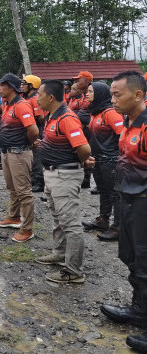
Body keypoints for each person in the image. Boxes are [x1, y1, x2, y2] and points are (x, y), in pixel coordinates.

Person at [100, 71, 147, 351]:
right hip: (128, 201)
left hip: (144, 202)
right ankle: (140, 310)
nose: (112, 99)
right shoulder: (128, 125)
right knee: (132, 259)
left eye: (117, 94)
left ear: (138, 95)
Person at [34, 79, 93, 283]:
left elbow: (84, 149)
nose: (36, 97)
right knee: (58, 218)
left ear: (50, 97)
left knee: (70, 222)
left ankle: (74, 270)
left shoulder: (67, 118)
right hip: (52, 174)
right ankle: (59, 254)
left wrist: (77, 160)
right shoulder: (52, 116)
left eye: (39, 94)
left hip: (65, 175)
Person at [0, 74, 39, 242]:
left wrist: (27, 143)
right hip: (7, 152)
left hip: (19, 152)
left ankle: (27, 229)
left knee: (24, 192)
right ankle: (14, 217)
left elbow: (33, 130)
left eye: (1, 85)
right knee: (12, 188)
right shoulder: (8, 105)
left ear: (11, 87)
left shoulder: (22, 105)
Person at [80, 82, 123, 241]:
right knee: (103, 191)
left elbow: (122, 135)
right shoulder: (96, 112)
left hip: (110, 160)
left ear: (99, 93)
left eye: (91, 91)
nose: (87, 94)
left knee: (115, 194)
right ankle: (103, 220)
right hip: (98, 159)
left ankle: (118, 227)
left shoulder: (110, 113)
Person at [21, 75, 45, 193]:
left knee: (36, 156)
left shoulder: (35, 99)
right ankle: (33, 178)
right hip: (28, 129)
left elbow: (41, 117)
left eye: (24, 84)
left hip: (36, 129)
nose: (22, 86)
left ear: (32, 85)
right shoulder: (25, 98)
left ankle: (39, 181)